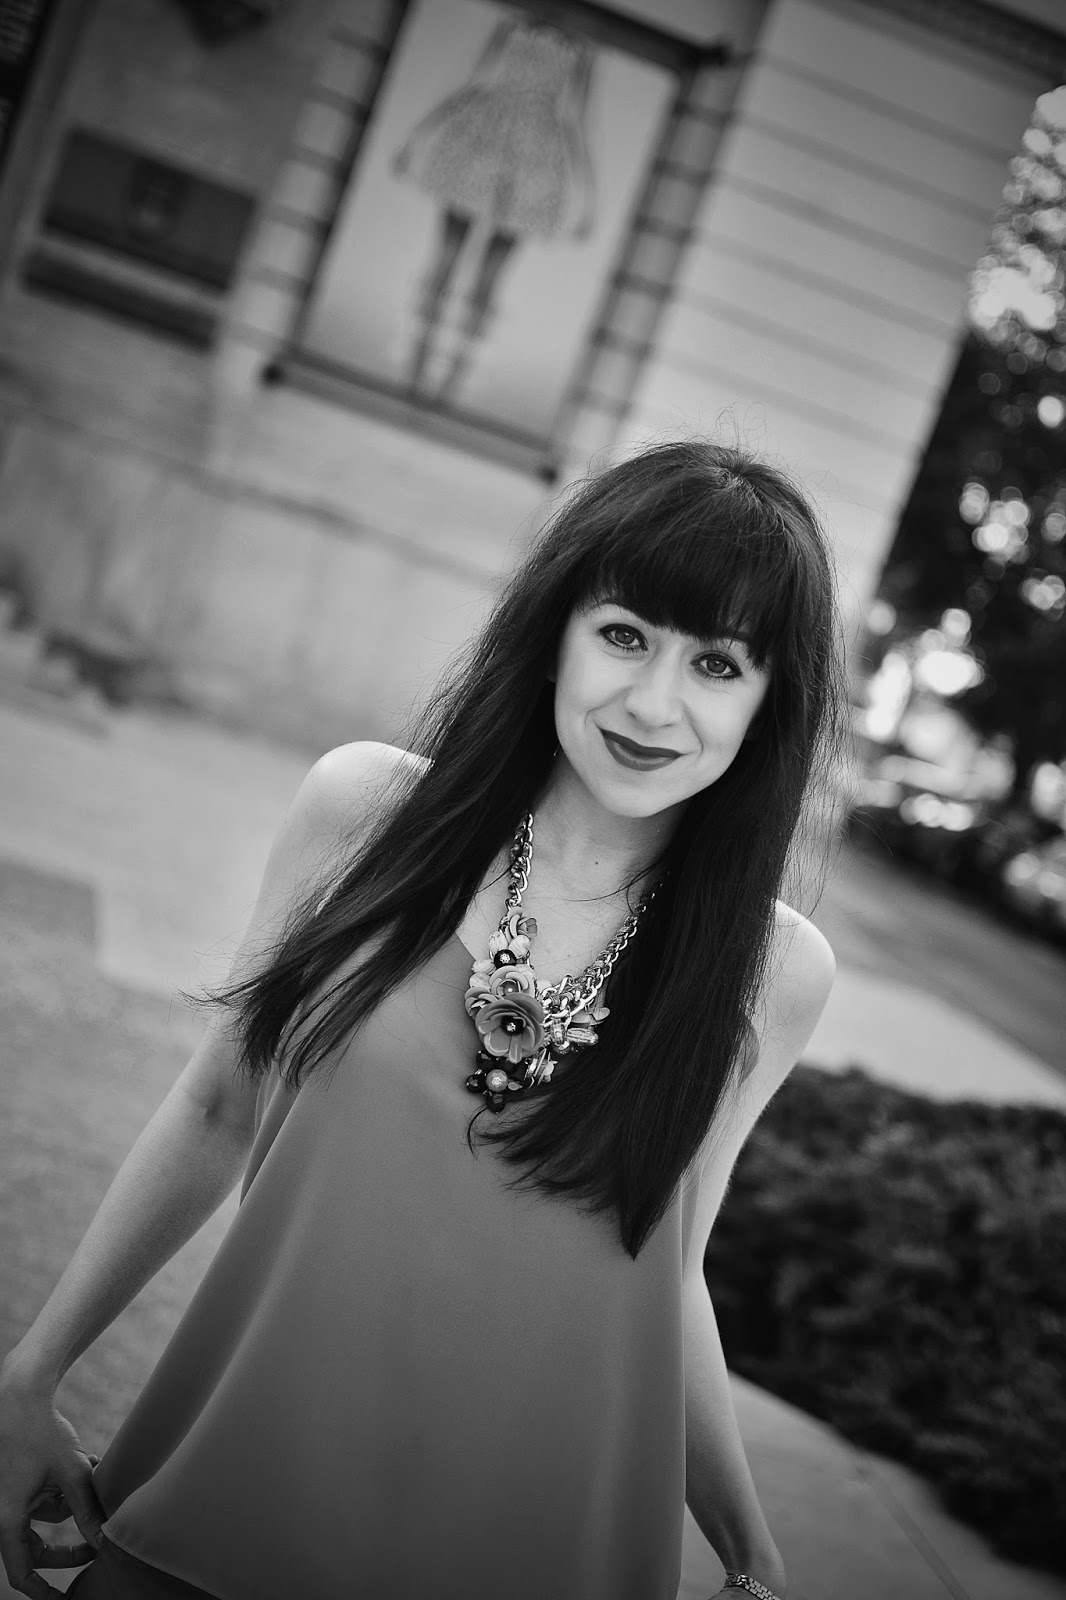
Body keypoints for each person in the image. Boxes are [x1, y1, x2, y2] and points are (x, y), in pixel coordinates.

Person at [0, 440, 845, 1600]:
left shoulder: (772, 974)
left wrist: (753, 1557)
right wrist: (29, 1375)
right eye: (623, 635)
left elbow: (670, 1268)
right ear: (554, 630)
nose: (655, 703)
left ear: (766, 702)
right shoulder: (365, 816)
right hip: (228, 1504)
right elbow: (215, 1105)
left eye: (716, 663)